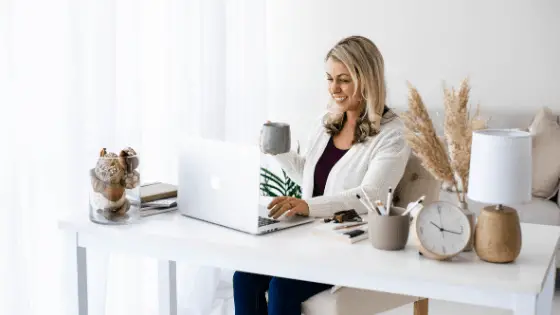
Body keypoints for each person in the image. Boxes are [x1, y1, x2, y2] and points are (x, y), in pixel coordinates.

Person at [232, 35, 411, 315]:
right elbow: (310, 175)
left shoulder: (392, 134)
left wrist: (307, 206)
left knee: (282, 288)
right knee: (244, 277)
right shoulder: (327, 122)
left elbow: (371, 195)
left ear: (367, 79)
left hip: (349, 246)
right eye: (329, 79)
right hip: (307, 239)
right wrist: (277, 150)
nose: (334, 89)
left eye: (344, 79)